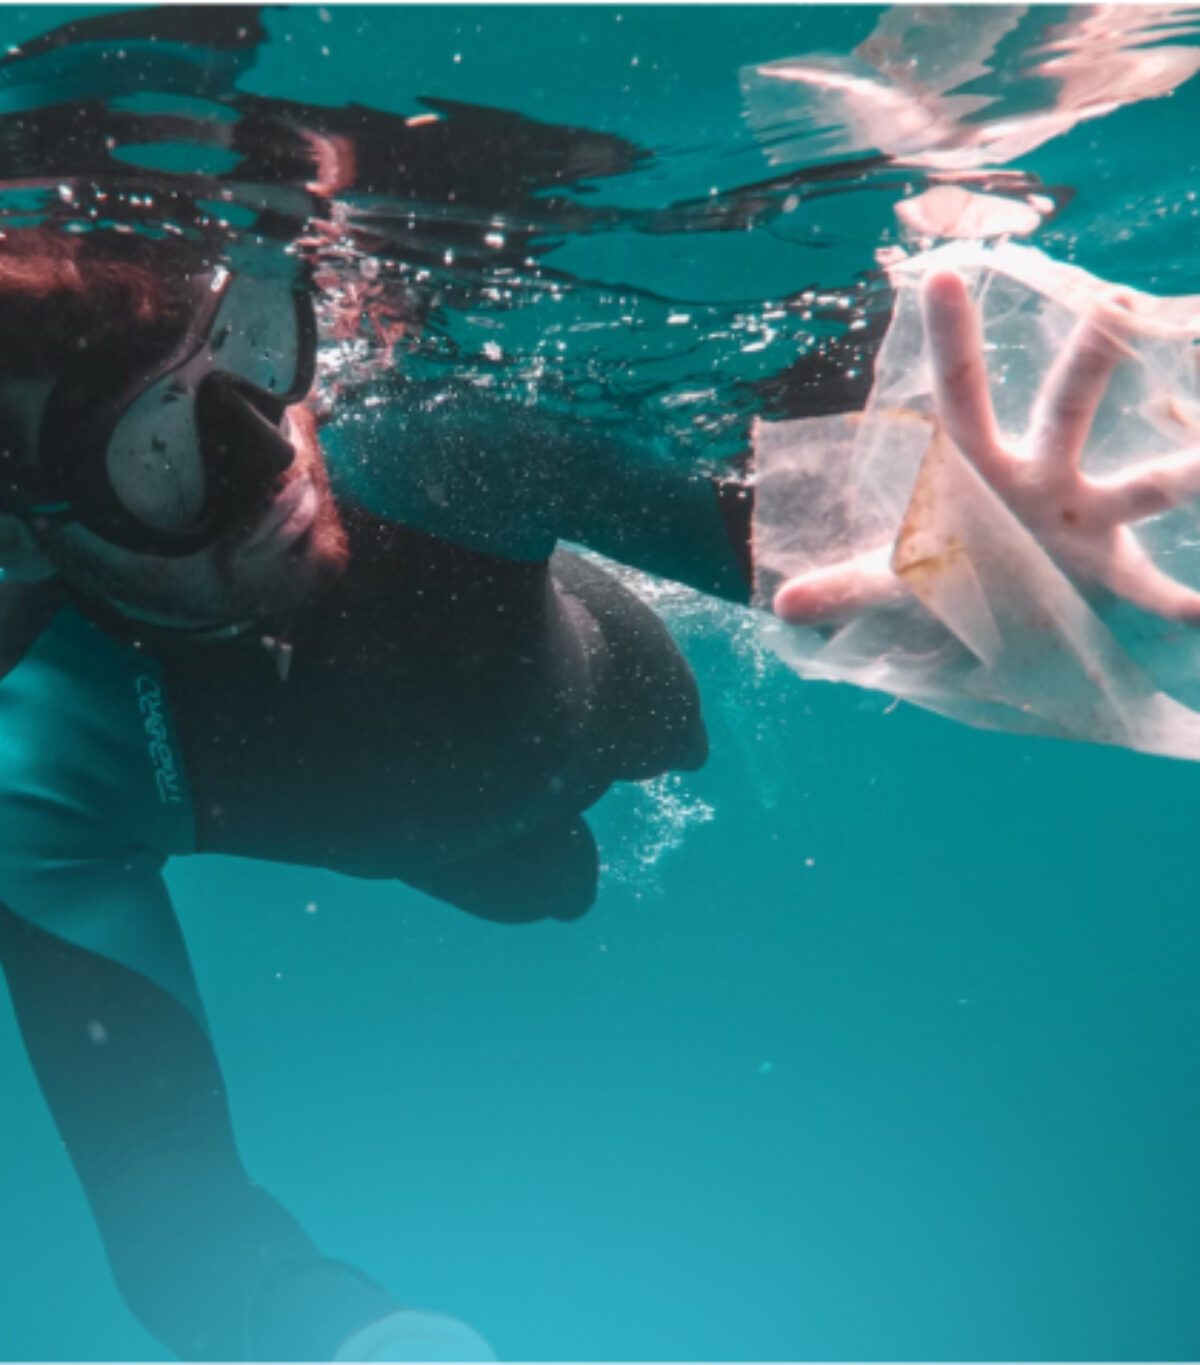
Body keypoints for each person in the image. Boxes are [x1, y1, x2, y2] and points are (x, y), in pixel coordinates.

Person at [1, 225, 1197, 1363]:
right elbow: (157, 1179)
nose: (269, 454)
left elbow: (856, 569)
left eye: (251, 354)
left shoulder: (428, 449)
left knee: (637, 778)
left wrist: (1011, 586)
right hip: (449, 837)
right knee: (544, 888)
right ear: (20, 536)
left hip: (620, 695)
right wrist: (359, 1340)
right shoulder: (41, 760)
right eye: (156, 453)